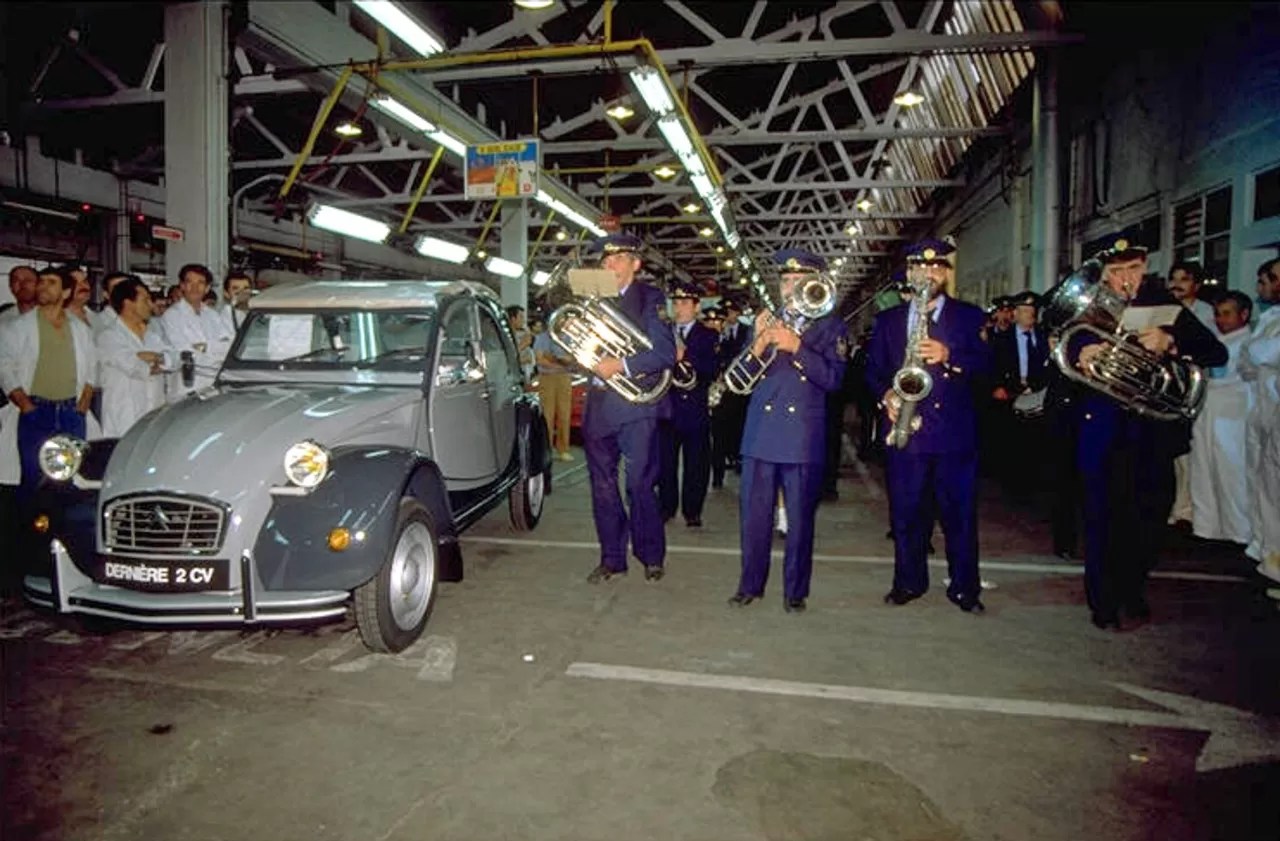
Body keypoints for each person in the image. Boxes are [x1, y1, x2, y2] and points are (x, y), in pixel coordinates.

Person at [1067, 235, 1227, 630]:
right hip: (1103, 433)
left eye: (1133, 269)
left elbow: (1214, 352)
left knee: (1148, 520)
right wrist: (1081, 354)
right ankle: (1102, 602)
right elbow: (1065, 352)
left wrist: (1170, 341)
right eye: (1116, 271)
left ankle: (1133, 592)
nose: (1126, 280)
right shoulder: (1089, 308)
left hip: (1152, 433)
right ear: (1104, 274)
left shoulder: (1165, 304)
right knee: (1103, 519)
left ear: (1145, 264)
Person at [865, 239, 991, 613]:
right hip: (908, 432)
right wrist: (886, 394)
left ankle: (965, 588)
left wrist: (950, 356)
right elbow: (872, 372)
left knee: (960, 517)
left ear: (946, 274)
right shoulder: (887, 322)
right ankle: (908, 581)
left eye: (937, 268)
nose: (929, 274)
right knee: (906, 514)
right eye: (921, 267)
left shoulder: (970, 317)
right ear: (910, 272)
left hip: (954, 436)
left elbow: (988, 367)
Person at [727, 249, 848, 613]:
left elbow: (834, 380)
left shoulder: (831, 327)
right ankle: (750, 585)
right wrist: (759, 344)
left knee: (798, 522)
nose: (790, 287)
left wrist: (796, 347)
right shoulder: (763, 321)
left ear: (815, 284)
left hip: (801, 436)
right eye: (784, 280)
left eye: (798, 281)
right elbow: (739, 383)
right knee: (754, 518)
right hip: (760, 434)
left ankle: (795, 592)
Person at [578, 234, 676, 584]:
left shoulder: (653, 299)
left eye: (618, 258)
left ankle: (651, 555)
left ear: (636, 263)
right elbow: (579, 345)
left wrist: (619, 365)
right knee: (603, 488)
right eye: (605, 260)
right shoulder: (591, 297)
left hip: (637, 406)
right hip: (599, 407)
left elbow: (664, 354)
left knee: (639, 484)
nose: (609, 265)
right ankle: (612, 558)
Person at [0, 267, 97, 502]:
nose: (42, 287)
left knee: (70, 478)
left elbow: (92, 368)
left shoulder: (80, 329)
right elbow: (5, 367)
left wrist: (83, 404)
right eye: (41, 282)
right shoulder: (17, 327)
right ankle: (30, 535)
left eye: (51, 282)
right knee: (34, 478)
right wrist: (25, 405)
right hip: (36, 411)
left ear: (65, 292)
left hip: (71, 412)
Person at [658, 281, 718, 527]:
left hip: (694, 408)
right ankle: (666, 507)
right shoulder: (662, 332)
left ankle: (693, 511)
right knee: (664, 463)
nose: (679, 308)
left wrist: (686, 357)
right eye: (676, 303)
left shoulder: (708, 335)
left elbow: (712, 369)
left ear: (696, 307)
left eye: (684, 303)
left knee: (697, 463)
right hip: (667, 408)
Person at [1242, 258, 1280, 589]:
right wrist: (1257, 352)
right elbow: (1248, 361)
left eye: (1269, 280)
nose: (1263, 287)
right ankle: (1267, 554)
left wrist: (1257, 352)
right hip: (1266, 413)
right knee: (1265, 486)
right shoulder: (1269, 317)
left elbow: (1264, 354)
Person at [96, 276, 170, 438]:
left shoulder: (152, 335)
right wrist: (155, 361)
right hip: (125, 417)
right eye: (145, 300)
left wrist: (151, 357)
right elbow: (134, 367)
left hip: (153, 413)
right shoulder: (109, 337)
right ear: (128, 304)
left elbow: (173, 359)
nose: (150, 305)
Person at [158, 263, 234, 397]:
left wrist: (205, 347)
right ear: (181, 286)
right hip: (186, 387)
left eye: (200, 283)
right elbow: (185, 354)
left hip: (213, 385)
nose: (194, 287)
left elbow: (229, 346)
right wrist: (215, 351)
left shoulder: (213, 315)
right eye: (189, 282)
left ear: (207, 288)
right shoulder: (172, 316)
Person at [533, 293, 576, 462]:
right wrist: (560, 362)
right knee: (547, 415)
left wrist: (554, 359)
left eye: (563, 319)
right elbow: (540, 360)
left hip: (564, 379)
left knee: (565, 414)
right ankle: (547, 448)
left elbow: (572, 360)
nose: (562, 322)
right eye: (559, 319)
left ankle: (563, 449)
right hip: (547, 379)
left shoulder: (568, 338)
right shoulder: (542, 338)